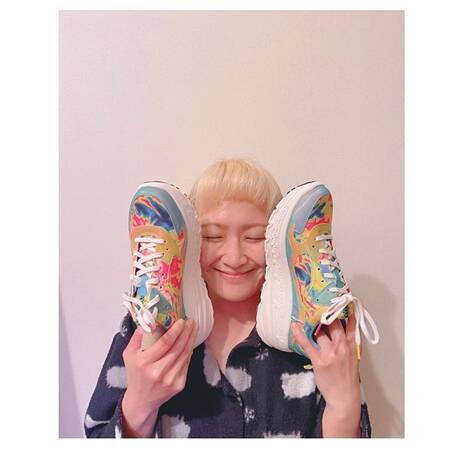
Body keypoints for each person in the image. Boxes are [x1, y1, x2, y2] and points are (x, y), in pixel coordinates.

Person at [84, 158, 372, 438]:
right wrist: (140, 403)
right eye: (212, 236)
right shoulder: (145, 333)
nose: (234, 258)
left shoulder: (319, 338)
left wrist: (343, 406)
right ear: (188, 239)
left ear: (277, 241)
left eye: (255, 237)